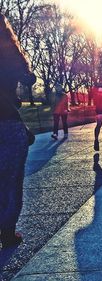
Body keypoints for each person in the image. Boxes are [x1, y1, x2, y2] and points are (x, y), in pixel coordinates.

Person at [0, 14, 34, 248]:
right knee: (12, 181)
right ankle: (8, 233)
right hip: (8, 123)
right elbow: (28, 77)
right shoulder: (10, 53)